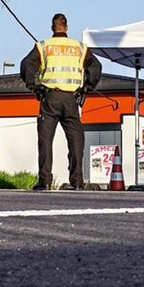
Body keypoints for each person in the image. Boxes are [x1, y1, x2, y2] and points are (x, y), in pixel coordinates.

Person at [20, 14, 103, 190]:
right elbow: (96, 67)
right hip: (71, 100)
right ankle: (77, 180)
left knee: (45, 140)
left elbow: (27, 64)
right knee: (76, 140)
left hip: (50, 98)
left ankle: (45, 181)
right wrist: (87, 86)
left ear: (52, 28)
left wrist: (35, 86)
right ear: (67, 27)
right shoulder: (79, 47)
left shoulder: (44, 46)